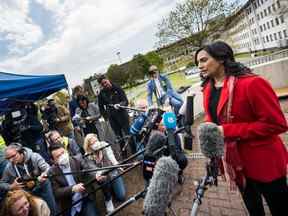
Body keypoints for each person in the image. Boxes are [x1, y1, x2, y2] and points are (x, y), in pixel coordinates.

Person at [195, 41, 288, 216]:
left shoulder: (252, 84)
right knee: (253, 208)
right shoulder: (208, 88)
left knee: (280, 208)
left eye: (203, 60)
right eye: (197, 63)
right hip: (236, 164)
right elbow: (214, 116)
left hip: (264, 162)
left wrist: (227, 131)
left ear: (221, 58)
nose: (199, 66)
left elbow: (277, 124)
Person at [1, 143, 57, 215]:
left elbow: (48, 169)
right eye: (8, 158)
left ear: (20, 151)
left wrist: (43, 175)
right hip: (27, 192)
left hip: (43, 186)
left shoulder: (34, 156)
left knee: (52, 209)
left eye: (13, 156)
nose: (11, 160)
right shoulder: (9, 167)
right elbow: (1, 183)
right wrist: (11, 186)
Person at [49, 143, 99, 216]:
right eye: (58, 156)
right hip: (70, 205)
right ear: (53, 161)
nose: (62, 156)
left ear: (67, 151)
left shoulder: (77, 159)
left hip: (85, 198)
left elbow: (89, 169)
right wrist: (72, 188)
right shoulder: (52, 172)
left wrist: (96, 174)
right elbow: (56, 192)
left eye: (63, 152)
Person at [82, 133, 126, 213]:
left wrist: (118, 165)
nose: (96, 144)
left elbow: (111, 157)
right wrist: (98, 173)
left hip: (112, 173)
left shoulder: (105, 145)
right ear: (88, 146)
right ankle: (108, 198)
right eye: (92, 143)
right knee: (103, 180)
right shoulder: (87, 155)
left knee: (121, 196)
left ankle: (112, 186)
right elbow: (92, 167)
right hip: (102, 177)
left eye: (96, 141)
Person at [97, 75, 132, 157]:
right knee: (119, 137)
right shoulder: (101, 94)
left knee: (128, 134)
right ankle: (124, 154)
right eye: (102, 84)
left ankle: (134, 150)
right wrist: (106, 117)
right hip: (112, 118)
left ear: (108, 80)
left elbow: (125, 101)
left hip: (122, 114)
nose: (105, 85)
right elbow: (101, 107)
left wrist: (120, 104)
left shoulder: (117, 88)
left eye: (105, 82)